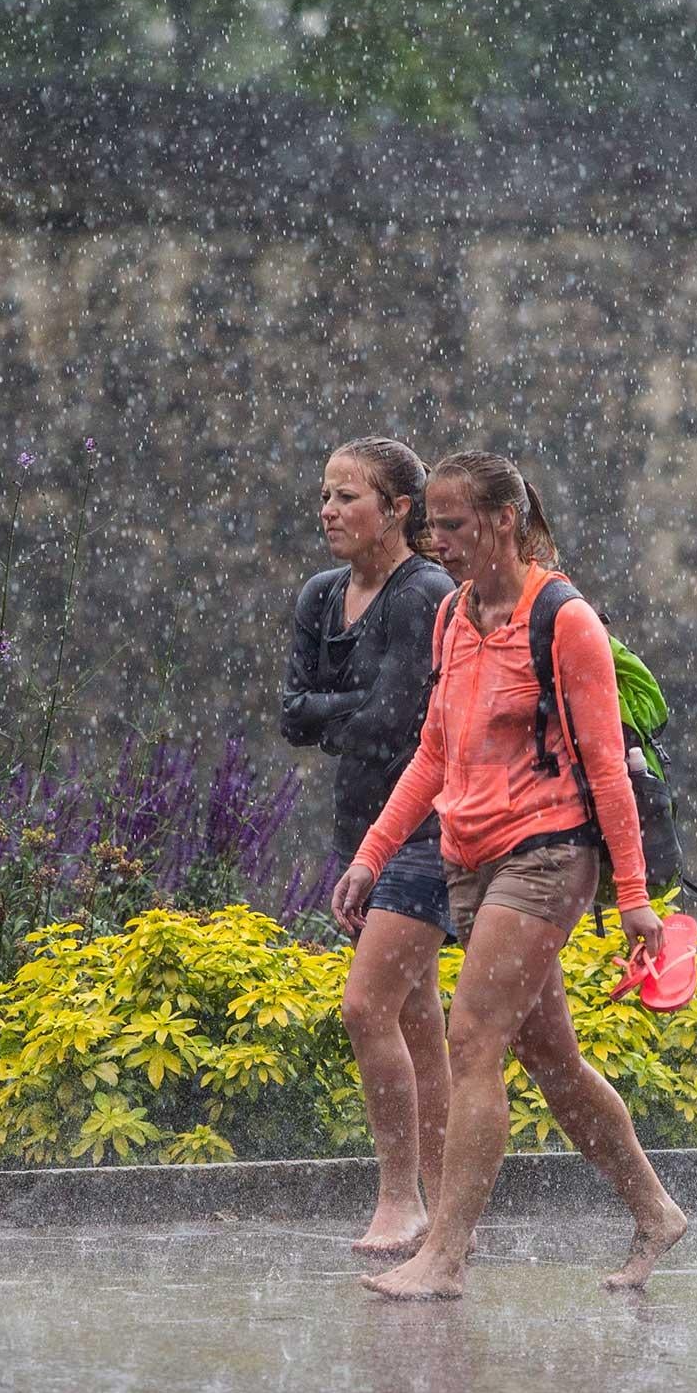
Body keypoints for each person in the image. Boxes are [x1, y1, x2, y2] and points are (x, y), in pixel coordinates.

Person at [333, 450, 687, 1300]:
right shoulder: (454, 616)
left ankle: (444, 1258)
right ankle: (656, 1210)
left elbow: (606, 770)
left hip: (550, 856)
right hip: (470, 860)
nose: (439, 542)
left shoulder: (564, 620)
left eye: (452, 526)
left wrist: (633, 900)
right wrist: (373, 856)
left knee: (473, 1041)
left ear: (502, 520)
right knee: (553, 1063)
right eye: (433, 529)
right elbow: (433, 755)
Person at [282, 437, 457, 1258]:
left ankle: (400, 1200)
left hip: (425, 830)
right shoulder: (321, 597)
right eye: (325, 495)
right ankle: (446, 1199)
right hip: (360, 830)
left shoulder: (424, 593)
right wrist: (345, 710)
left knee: (367, 1006)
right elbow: (291, 715)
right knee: (417, 1015)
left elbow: (399, 719)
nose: (328, 511)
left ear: (397, 510)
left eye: (348, 497)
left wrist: (335, 711)